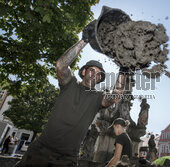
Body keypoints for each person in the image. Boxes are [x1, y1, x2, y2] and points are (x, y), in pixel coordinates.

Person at [15, 27, 129, 167]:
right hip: (40, 149)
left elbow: (116, 95)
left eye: (99, 74)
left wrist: (123, 69)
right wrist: (85, 40)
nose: (95, 74)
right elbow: (61, 65)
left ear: (100, 79)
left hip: (67, 158)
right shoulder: (69, 83)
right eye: (92, 70)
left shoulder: (98, 97)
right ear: (84, 72)